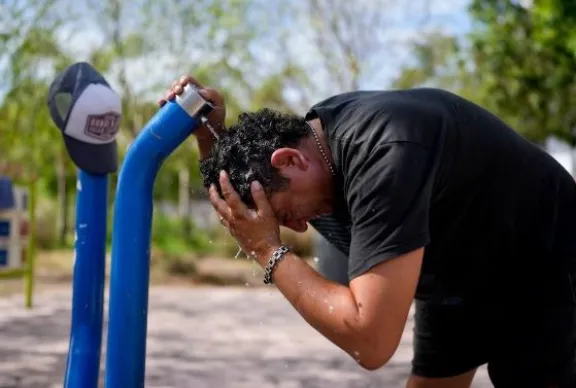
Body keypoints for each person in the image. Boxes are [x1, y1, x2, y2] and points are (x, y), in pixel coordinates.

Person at [158, 75, 576, 388]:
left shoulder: (382, 155)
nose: (301, 227)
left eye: (286, 215)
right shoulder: (307, 158)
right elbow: (246, 203)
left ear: (290, 161)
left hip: (544, 262)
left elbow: (369, 340)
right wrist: (209, 135)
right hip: (459, 264)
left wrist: (270, 252)